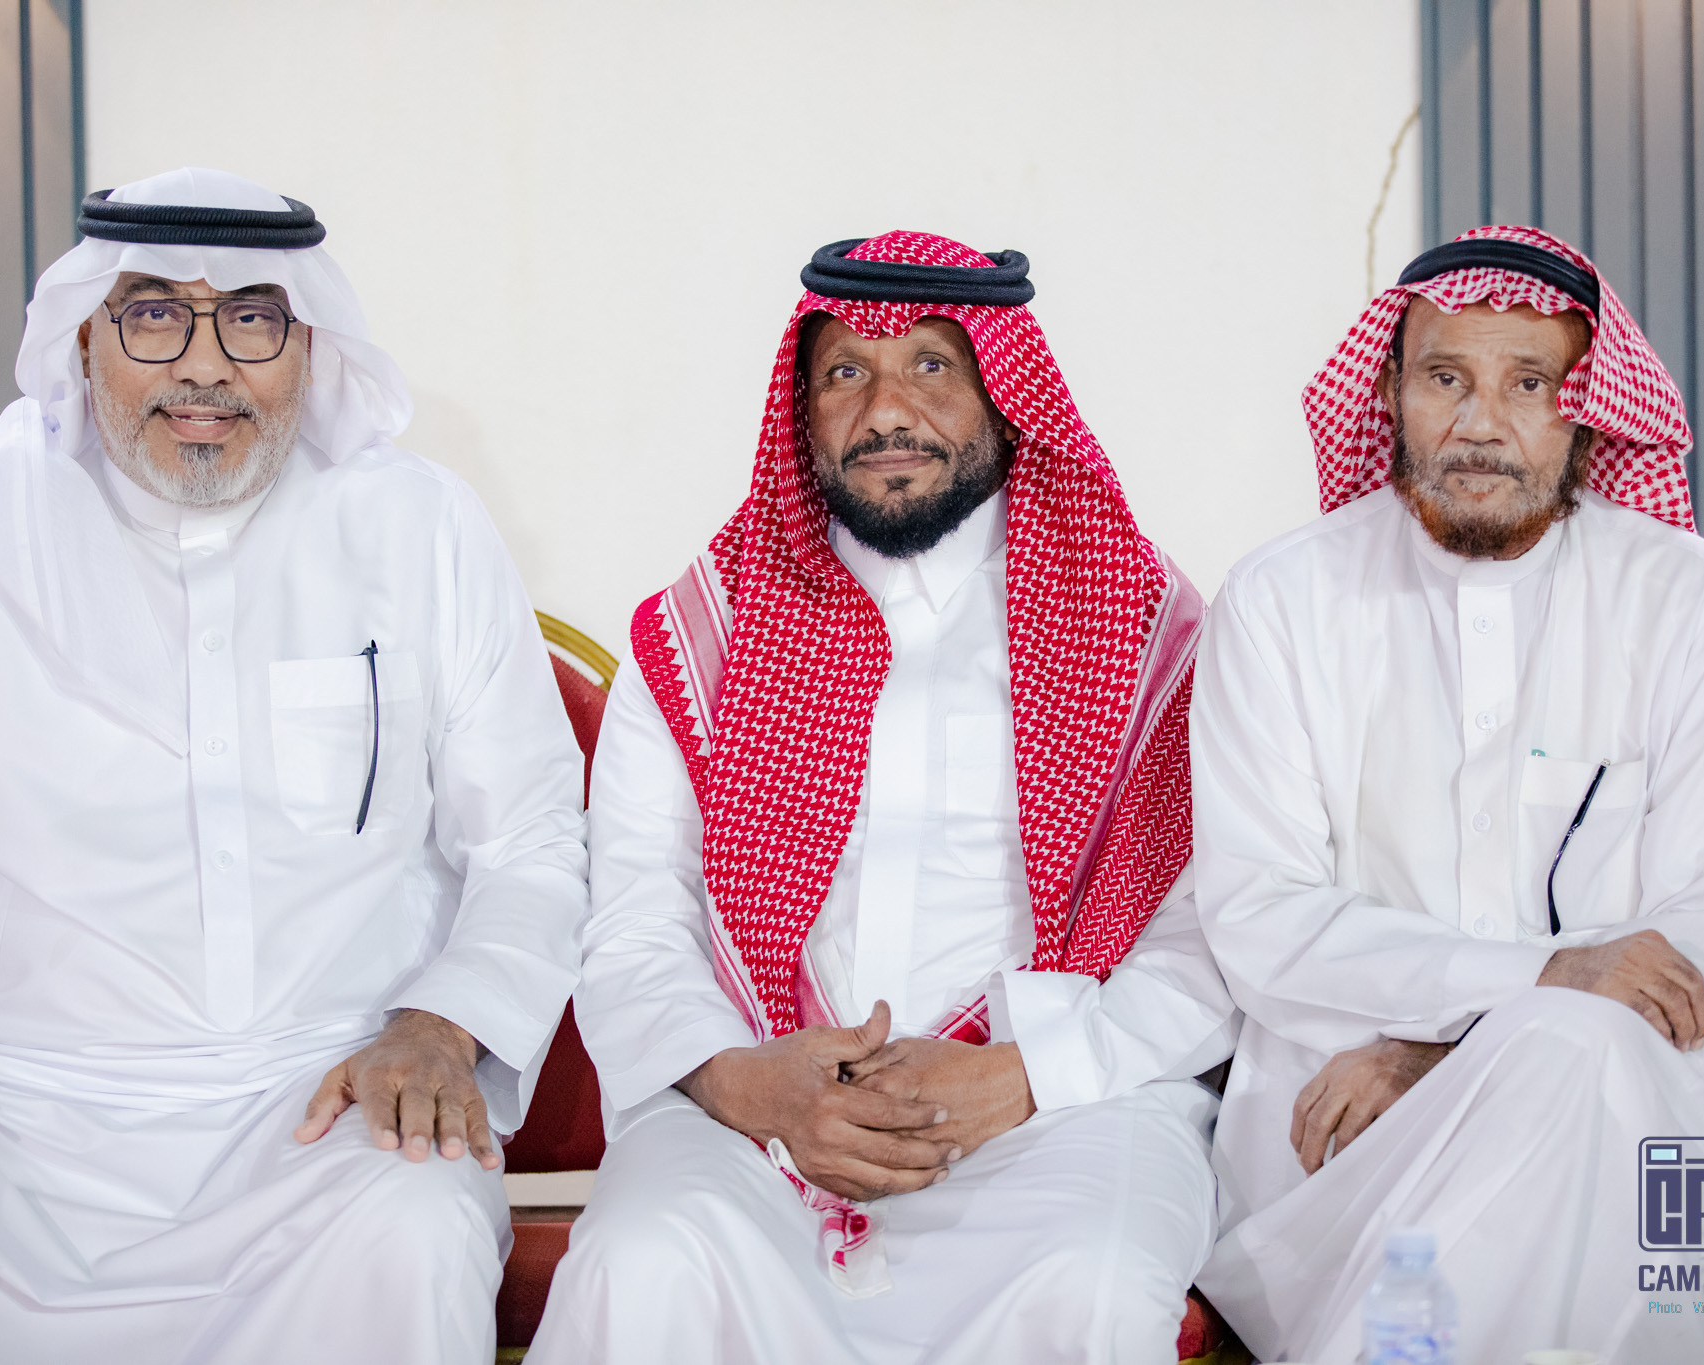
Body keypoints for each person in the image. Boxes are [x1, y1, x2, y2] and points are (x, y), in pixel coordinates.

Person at [0, 168, 587, 1363]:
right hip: (4, 1121)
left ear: (307, 344)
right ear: (86, 337)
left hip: (327, 1108)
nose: (204, 367)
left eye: (251, 319)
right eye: (155, 315)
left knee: (415, 1232)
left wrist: (440, 1026)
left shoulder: (419, 529)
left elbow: (532, 841)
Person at [528, 233, 1238, 1365]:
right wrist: (749, 1085)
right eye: (846, 373)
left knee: (1090, 1281)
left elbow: (1209, 926)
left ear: (1004, 395)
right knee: (641, 1264)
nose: (886, 410)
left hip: (1059, 1106)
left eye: (931, 366)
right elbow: (634, 918)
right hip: (755, 1102)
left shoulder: (1140, 626)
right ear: (802, 410)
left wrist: (1027, 1077)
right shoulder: (704, 634)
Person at [1192, 225, 1704, 1364]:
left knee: (1575, 1063)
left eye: (1529, 383)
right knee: (1569, 1082)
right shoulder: (1278, 602)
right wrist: (1542, 986)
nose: (1479, 424)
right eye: (1444, 379)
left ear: (1588, 409)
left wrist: (1456, 1050)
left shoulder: (1689, 599)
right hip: (1346, 1120)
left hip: (1646, 1103)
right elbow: (1260, 918)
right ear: (1390, 393)